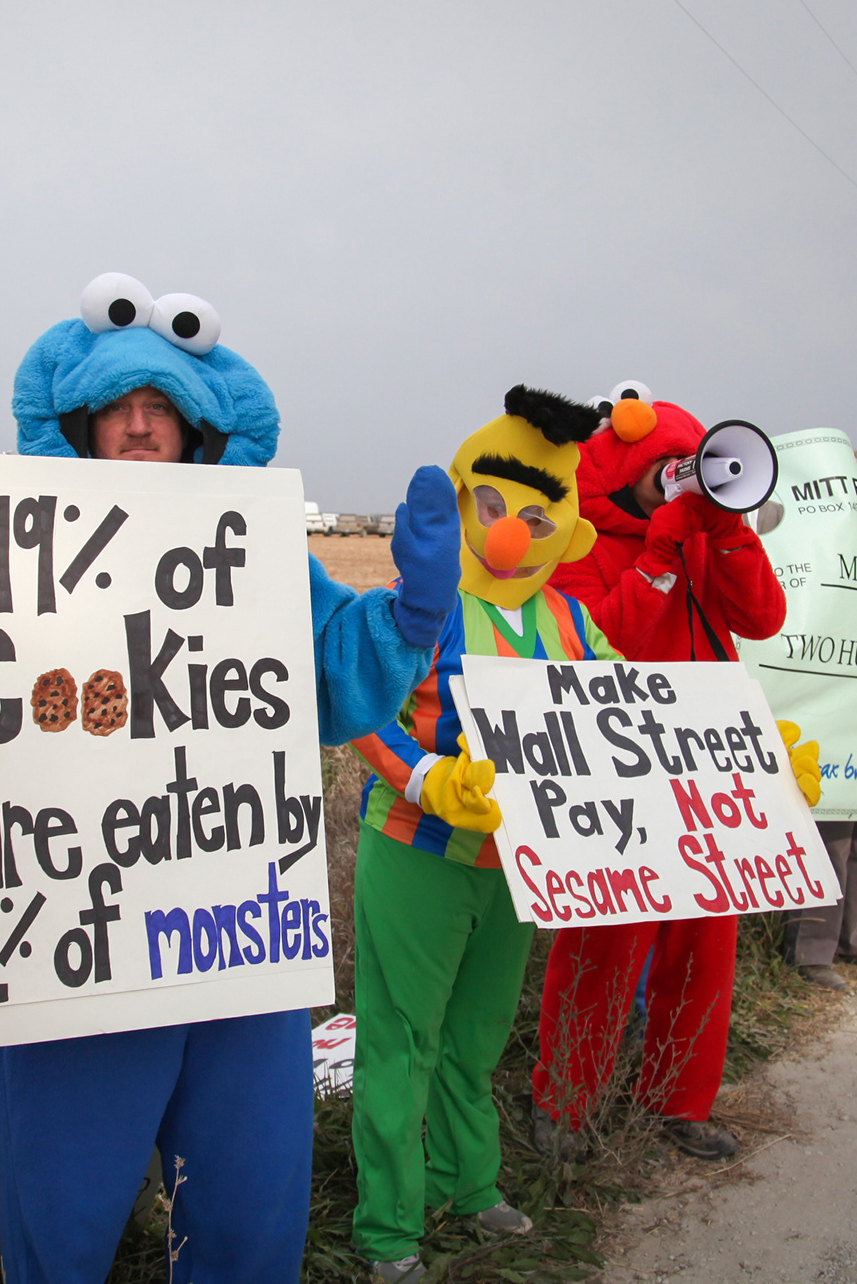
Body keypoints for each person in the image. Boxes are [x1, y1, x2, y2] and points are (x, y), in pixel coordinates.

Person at [0, 272, 463, 1284]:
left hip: (237, 944)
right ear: (78, 423)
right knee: (62, 1226)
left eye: (160, 408)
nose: (136, 426)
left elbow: (337, 685)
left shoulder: (261, 557)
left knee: (251, 1219)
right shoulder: (19, 549)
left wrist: (405, 622)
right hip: (71, 951)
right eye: (117, 407)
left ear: (201, 427)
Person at [347, 385, 629, 1284]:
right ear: (463, 502)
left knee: (474, 1038)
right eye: (492, 506)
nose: (511, 531)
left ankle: (466, 1183)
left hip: (515, 865)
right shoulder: (419, 613)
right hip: (415, 854)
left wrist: (753, 758)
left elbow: (640, 717)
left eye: (535, 514)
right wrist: (422, 775)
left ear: (568, 526)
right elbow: (356, 700)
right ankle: (387, 1227)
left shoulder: (574, 623)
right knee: (401, 1038)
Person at [523, 389, 818, 1164]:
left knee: (705, 942)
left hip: (707, 765)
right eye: (657, 468)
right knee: (604, 945)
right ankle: (563, 1102)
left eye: (680, 465)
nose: (674, 478)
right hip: (619, 766)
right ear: (615, 469)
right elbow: (604, 640)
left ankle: (678, 1100)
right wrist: (657, 553)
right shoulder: (579, 542)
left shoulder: (702, 531)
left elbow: (762, 620)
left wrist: (725, 536)